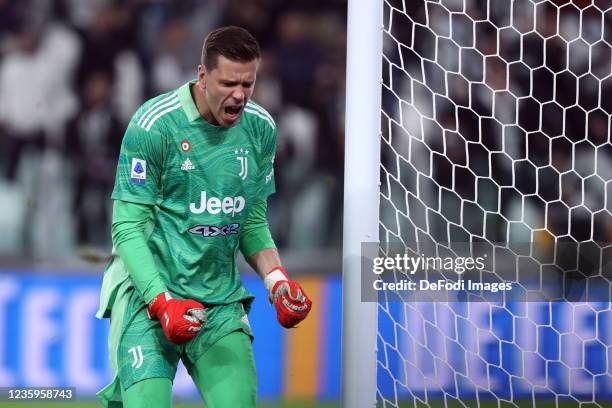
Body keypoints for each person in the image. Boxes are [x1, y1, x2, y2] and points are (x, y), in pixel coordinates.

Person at [96, 26, 312, 408]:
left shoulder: (260, 129)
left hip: (218, 301)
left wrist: (277, 282)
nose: (240, 95)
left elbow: (251, 221)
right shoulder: (154, 125)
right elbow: (126, 226)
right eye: (229, 83)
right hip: (150, 296)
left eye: (248, 84)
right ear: (202, 76)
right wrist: (161, 302)